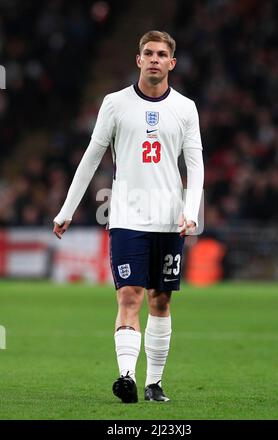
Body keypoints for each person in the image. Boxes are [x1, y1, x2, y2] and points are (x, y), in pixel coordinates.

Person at [53, 30, 204, 403]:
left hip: (169, 219)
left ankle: (154, 383)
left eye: (162, 54)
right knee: (130, 296)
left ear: (172, 63)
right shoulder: (115, 104)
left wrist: (190, 211)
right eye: (148, 53)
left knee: (161, 301)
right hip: (126, 217)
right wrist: (66, 210)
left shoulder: (185, 108)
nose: (154, 59)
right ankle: (126, 378)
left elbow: (196, 165)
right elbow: (91, 158)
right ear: (138, 60)